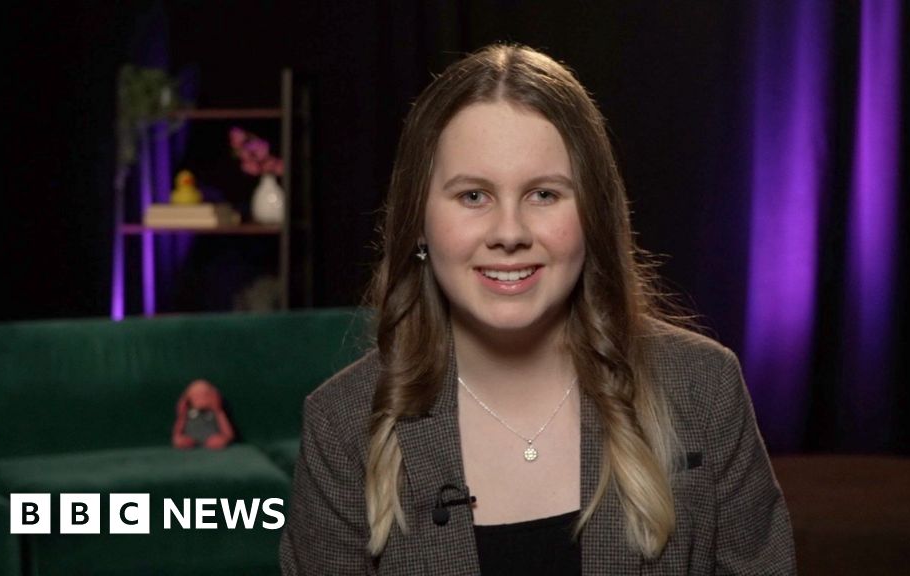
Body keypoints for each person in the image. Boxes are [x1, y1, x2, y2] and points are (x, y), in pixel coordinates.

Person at [280, 43, 796, 575]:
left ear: (593, 213)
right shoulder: (341, 426)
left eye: (544, 194)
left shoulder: (704, 388)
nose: (509, 234)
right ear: (418, 221)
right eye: (473, 196)